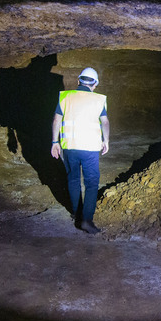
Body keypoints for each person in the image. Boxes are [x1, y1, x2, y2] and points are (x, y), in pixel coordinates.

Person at [51, 67, 109, 234]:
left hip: (69, 146)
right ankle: (86, 220)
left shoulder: (66, 96)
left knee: (73, 179)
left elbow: (56, 119)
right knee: (91, 182)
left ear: (78, 81)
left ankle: (76, 213)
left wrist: (55, 142)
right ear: (95, 84)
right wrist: (106, 141)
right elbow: (104, 122)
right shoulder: (99, 99)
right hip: (90, 148)